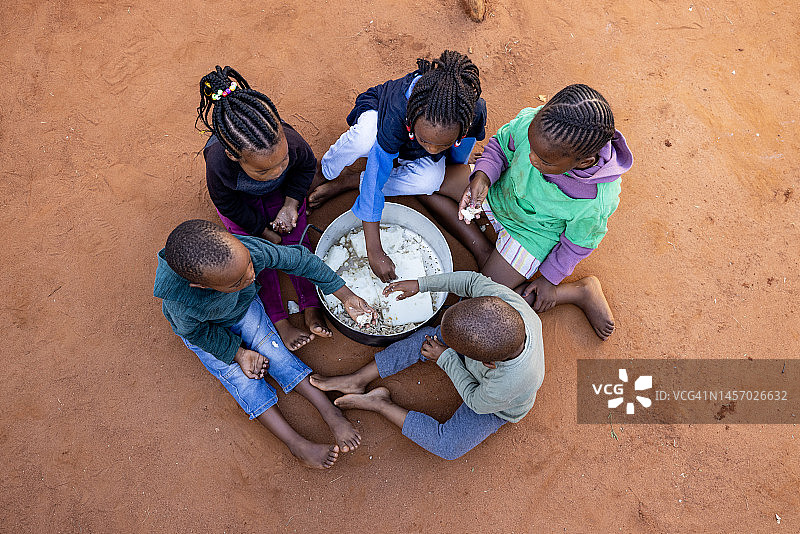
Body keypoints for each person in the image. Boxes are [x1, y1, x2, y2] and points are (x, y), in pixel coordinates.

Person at [153, 220, 376, 468]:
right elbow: (195, 333)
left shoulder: (246, 252)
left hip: (244, 310)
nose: (251, 276)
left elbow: (300, 260)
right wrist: (237, 354)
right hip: (208, 334)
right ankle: (296, 444)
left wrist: (345, 295)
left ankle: (328, 409)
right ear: (203, 286)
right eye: (236, 282)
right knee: (244, 381)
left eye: (249, 265)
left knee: (275, 354)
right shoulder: (181, 304)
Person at [422, 84, 633, 340]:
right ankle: (483, 250)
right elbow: (500, 146)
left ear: (584, 162)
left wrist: (549, 280)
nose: (532, 159)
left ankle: (577, 292)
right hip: (498, 193)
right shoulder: (536, 126)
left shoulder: (595, 199)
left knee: (484, 300)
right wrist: (483, 175)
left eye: (545, 161)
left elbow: (577, 244)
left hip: (529, 236)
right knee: (426, 183)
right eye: (531, 149)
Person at [310, 271, 544, 460]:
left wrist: (446, 358)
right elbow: (472, 280)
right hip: (477, 357)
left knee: (448, 447)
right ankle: (358, 379)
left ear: (487, 363)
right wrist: (421, 284)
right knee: (430, 338)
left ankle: (380, 404)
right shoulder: (507, 305)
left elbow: (475, 399)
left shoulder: (506, 385)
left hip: (494, 405)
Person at [307, 50, 486, 282]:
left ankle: (350, 181)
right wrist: (374, 251)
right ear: (412, 122)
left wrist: (452, 160)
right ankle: (327, 170)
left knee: (430, 180)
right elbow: (376, 177)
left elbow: (461, 147)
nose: (432, 150)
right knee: (364, 138)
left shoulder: (473, 111)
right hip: (381, 119)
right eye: (427, 142)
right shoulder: (396, 111)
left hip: (412, 143)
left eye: (441, 144)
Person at [196, 65, 327, 351]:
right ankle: (279, 319)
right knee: (255, 259)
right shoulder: (219, 163)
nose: (279, 169)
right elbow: (227, 204)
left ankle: (311, 303)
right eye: (266, 170)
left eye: (282, 162)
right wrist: (260, 231)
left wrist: (291, 204)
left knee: (297, 242)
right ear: (234, 156)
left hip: (284, 197)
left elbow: (305, 167)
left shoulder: (290, 142)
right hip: (242, 208)